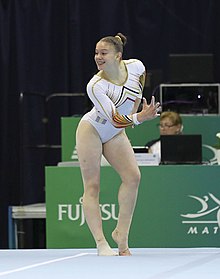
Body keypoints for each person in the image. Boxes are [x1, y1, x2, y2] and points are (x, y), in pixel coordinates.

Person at [76, 32, 160, 256]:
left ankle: (121, 234)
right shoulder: (95, 85)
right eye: (96, 53)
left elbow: (140, 80)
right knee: (92, 187)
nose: (98, 57)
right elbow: (114, 118)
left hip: (115, 134)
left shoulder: (136, 67)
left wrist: (135, 105)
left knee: (133, 177)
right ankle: (101, 243)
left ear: (118, 56)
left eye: (103, 53)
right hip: (92, 129)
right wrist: (139, 117)